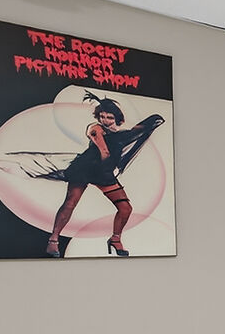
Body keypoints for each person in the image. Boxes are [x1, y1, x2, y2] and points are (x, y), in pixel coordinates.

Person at [46, 97, 163, 257]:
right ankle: (53, 240)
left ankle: (115, 239)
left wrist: (153, 121)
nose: (105, 120)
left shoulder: (122, 134)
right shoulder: (95, 128)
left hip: (103, 173)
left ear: (117, 118)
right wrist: (107, 163)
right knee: (70, 202)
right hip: (85, 169)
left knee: (125, 208)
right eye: (102, 116)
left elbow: (136, 131)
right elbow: (104, 152)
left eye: (109, 117)